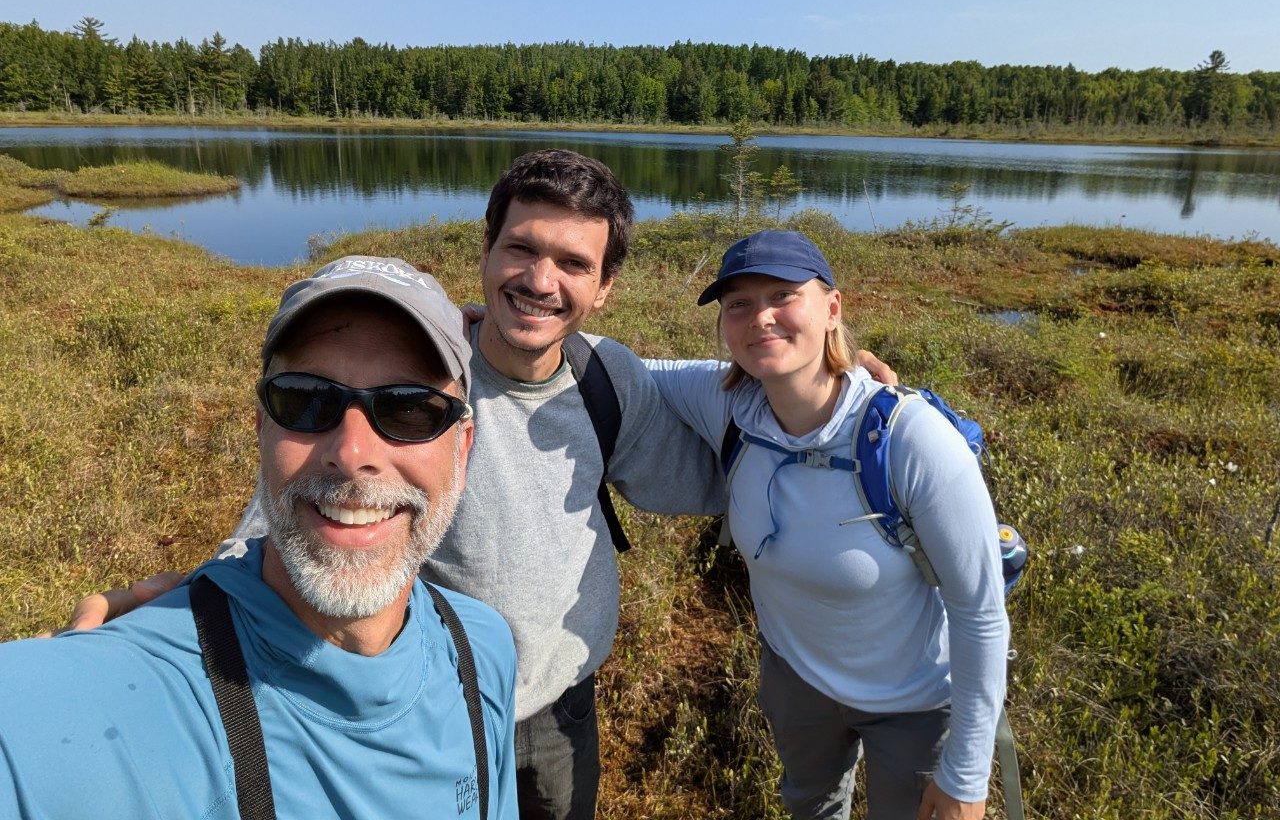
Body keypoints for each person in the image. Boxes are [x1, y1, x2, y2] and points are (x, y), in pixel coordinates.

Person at [60, 152, 898, 820]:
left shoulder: (611, 382)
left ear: (603, 289)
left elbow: (715, 474)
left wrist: (822, 397)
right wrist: (186, 617)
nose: (540, 279)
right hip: (430, 709)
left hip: (564, 705)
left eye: (573, 262)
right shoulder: (418, 378)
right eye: (522, 249)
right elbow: (290, 517)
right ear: (487, 251)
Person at [0, 255, 518, 818]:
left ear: (463, 450)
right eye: (306, 400)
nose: (352, 455)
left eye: (410, 410)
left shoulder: (482, 651)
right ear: (262, 429)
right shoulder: (110, 702)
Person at [644, 230, 1010, 820]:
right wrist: (494, 331)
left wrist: (967, 775)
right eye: (738, 304)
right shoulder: (729, 403)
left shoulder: (911, 439)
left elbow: (980, 611)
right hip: (796, 681)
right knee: (810, 807)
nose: (760, 317)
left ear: (831, 308)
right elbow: (619, 366)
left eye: (784, 295)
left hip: (913, 701)